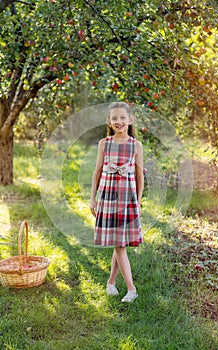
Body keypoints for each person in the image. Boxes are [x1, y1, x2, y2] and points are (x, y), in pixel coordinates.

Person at [90, 102, 144, 303]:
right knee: (118, 243)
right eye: (115, 118)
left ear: (130, 120)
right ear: (109, 122)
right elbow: (97, 172)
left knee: (119, 244)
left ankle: (128, 288)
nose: (119, 122)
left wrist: (137, 201)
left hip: (127, 199)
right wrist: (92, 198)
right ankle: (120, 285)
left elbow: (140, 176)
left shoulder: (135, 145)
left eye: (123, 118)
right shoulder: (104, 143)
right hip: (107, 197)